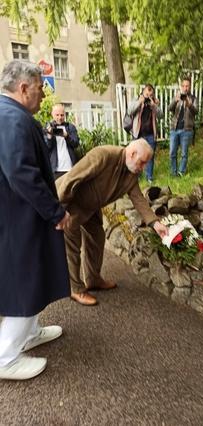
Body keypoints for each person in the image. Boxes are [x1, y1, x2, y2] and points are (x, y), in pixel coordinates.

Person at [0, 60, 70, 380]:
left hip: (18, 214)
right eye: (41, 88)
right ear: (24, 87)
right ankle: (5, 357)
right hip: (20, 217)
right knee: (25, 280)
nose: (44, 94)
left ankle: (29, 333)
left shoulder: (10, 114)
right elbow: (21, 173)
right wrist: (55, 212)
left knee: (32, 275)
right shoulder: (12, 118)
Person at [56, 138, 168, 306]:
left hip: (91, 208)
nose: (143, 168)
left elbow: (138, 199)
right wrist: (58, 210)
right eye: (142, 162)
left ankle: (93, 279)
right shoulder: (103, 155)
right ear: (132, 153)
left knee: (97, 237)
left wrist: (155, 223)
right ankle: (75, 289)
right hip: (71, 204)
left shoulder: (131, 173)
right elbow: (72, 179)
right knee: (72, 245)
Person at [127, 84, 163, 184]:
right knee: (135, 157)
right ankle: (136, 178)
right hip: (138, 134)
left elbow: (161, 115)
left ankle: (149, 177)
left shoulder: (154, 102)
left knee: (150, 157)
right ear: (143, 91)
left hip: (150, 134)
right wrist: (139, 102)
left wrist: (154, 106)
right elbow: (129, 111)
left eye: (150, 94)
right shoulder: (136, 99)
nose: (148, 96)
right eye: (147, 93)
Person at [169, 77, 198, 176]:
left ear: (190, 87)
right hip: (175, 129)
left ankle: (181, 172)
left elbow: (196, 112)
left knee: (184, 153)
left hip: (186, 129)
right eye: (184, 86)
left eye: (187, 86)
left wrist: (189, 105)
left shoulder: (193, 98)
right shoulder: (177, 96)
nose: (185, 88)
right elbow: (170, 108)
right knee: (172, 152)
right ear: (181, 87)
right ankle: (173, 172)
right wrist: (175, 101)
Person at [44, 103, 80, 179]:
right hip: (55, 169)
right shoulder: (47, 128)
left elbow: (76, 144)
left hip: (70, 168)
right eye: (57, 115)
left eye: (62, 115)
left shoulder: (70, 127)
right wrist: (49, 137)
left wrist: (66, 136)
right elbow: (45, 149)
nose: (60, 117)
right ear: (52, 114)